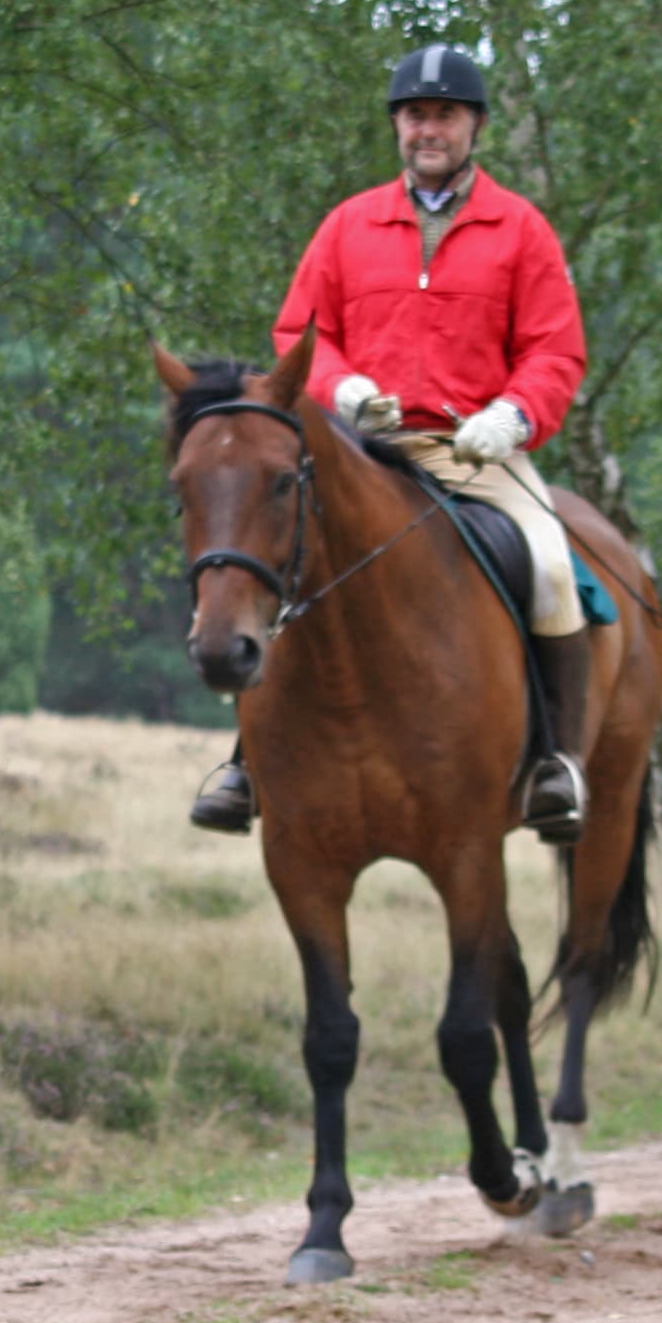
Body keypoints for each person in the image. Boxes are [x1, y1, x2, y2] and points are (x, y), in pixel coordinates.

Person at [189, 43, 594, 841]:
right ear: (398, 128)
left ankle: (557, 761)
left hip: (473, 450)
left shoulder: (520, 229)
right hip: (359, 447)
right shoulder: (349, 225)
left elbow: (557, 350)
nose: (428, 129)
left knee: (550, 561)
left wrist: (512, 416)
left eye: (445, 115)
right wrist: (341, 391)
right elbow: (300, 333)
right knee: (276, 552)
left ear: (474, 125)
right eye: (415, 116)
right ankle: (247, 760)